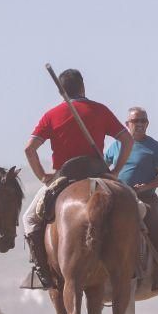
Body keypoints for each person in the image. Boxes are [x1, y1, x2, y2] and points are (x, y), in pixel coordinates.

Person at [21, 68, 133, 289]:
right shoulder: (100, 110)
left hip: (65, 176)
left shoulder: (51, 115)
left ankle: (43, 273)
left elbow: (29, 149)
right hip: (100, 173)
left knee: (29, 220)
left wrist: (43, 176)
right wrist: (116, 171)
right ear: (83, 87)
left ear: (62, 91)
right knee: (137, 209)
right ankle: (135, 264)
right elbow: (127, 140)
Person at [105, 107, 158, 290]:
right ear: (127, 124)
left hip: (146, 198)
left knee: (155, 229)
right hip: (119, 198)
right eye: (136, 121)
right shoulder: (116, 146)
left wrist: (147, 186)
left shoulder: (154, 147)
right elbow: (104, 166)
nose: (141, 124)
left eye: (144, 121)